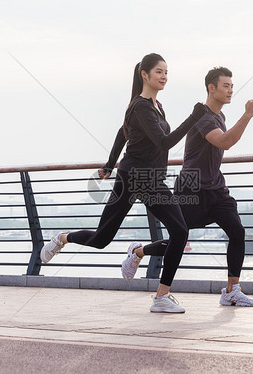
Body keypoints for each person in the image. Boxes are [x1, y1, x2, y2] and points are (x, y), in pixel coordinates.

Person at [40, 53, 206, 313]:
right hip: (133, 178)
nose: (164, 77)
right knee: (101, 238)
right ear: (145, 75)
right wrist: (194, 117)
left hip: (152, 179)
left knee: (180, 231)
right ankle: (62, 238)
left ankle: (160, 294)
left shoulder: (156, 106)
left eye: (166, 72)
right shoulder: (140, 106)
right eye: (159, 72)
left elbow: (122, 132)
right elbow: (164, 142)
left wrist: (108, 164)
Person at [121, 66, 253, 307]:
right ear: (211, 88)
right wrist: (247, 115)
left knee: (237, 231)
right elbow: (225, 142)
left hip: (216, 189)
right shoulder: (204, 117)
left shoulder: (220, 117)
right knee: (179, 238)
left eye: (232, 86)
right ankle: (138, 253)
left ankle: (231, 290)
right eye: (225, 86)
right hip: (192, 188)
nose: (230, 90)